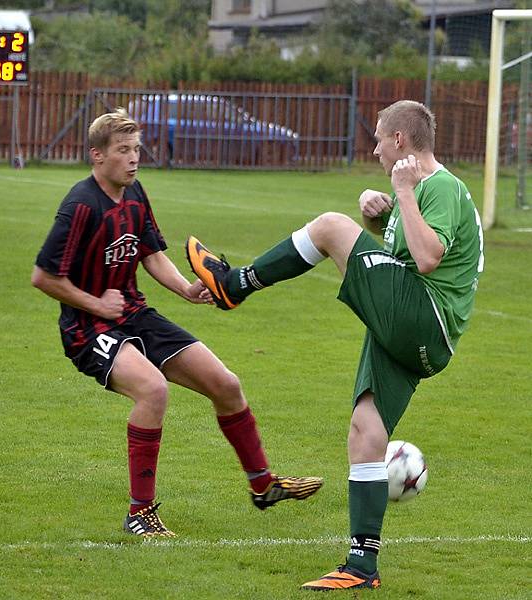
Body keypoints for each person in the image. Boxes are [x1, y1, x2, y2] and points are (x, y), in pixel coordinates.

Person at [186, 100, 483, 589]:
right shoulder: (423, 191)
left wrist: (402, 194)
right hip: (423, 334)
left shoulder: (440, 186)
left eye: (379, 140)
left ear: (400, 142)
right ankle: (362, 566)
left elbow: (427, 259)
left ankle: (233, 285)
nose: (374, 150)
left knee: (328, 226)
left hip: (422, 317)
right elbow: (402, 254)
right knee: (366, 430)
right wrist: (380, 219)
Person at [31, 108, 323, 538]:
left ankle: (263, 485)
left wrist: (187, 289)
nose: (134, 159)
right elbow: (43, 276)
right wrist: (96, 302)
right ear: (97, 156)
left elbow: (150, 252)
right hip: (87, 329)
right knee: (152, 390)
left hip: (135, 315)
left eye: (136, 149)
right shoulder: (79, 206)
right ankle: (140, 513)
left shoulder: (134, 193)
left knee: (226, 384)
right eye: (123, 151)